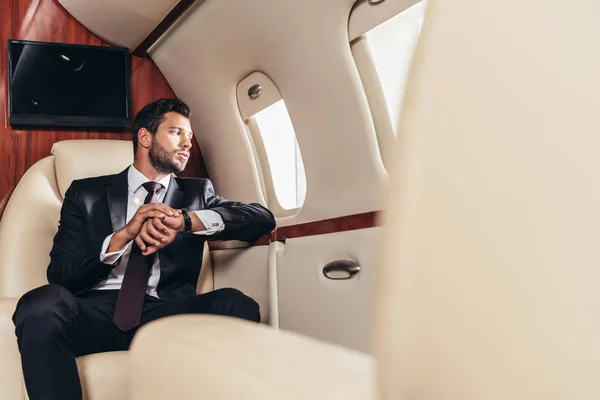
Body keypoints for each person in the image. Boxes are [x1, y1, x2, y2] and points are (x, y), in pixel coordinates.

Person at [12, 98, 276, 400]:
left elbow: (261, 218)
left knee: (236, 304)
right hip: (96, 312)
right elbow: (60, 273)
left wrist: (186, 221)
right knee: (41, 304)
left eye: (189, 136)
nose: (187, 143)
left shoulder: (197, 192)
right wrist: (121, 237)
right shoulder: (86, 193)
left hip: (165, 314)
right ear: (145, 137)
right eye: (177, 132)